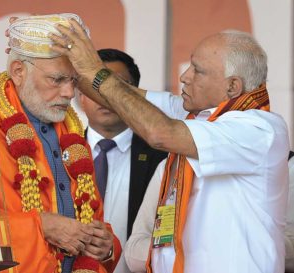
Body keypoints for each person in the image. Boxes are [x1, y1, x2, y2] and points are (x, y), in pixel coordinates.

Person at [50, 21, 289, 273]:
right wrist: (72, 66)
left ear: (232, 86)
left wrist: (96, 70)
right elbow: (118, 96)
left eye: (197, 70)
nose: (184, 77)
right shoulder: (194, 116)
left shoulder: (259, 130)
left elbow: (160, 132)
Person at [0, 14, 121, 273]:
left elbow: (92, 215)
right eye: (57, 80)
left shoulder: (72, 131)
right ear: (19, 72)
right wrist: (39, 226)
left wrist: (106, 245)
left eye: (74, 81)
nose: (69, 93)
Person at [79, 48, 167, 273]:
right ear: (79, 94)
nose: (104, 96)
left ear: (135, 94)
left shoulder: (163, 156)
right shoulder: (58, 153)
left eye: (115, 87)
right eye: (94, 86)